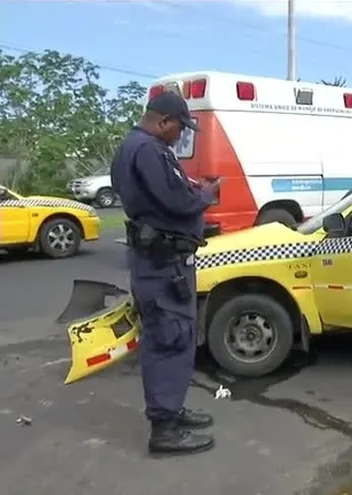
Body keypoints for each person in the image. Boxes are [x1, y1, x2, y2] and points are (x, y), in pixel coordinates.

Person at [110, 91, 220, 455]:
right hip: (162, 265)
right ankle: (165, 431)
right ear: (163, 122)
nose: (180, 135)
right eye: (179, 128)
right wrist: (206, 195)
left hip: (161, 262)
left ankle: (171, 409)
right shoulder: (148, 150)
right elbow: (177, 201)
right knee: (169, 339)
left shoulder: (135, 147)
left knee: (175, 337)